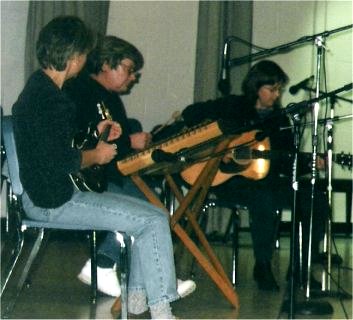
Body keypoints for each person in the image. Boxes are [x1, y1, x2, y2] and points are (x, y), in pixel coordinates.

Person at [12, 16, 179, 319]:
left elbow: (53, 146)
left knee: (153, 215)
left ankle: (139, 299)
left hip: (44, 195)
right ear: (74, 57)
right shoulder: (52, 100)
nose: (87, 60)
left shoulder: (39, 89)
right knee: (154, 220)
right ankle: (161, 309)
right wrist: (97, 155)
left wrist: (95, 133)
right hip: (54, 201)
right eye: (85, 54)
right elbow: (60, 160)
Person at [64, 35, 196, 299]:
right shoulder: (78, 90)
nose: (133, 76)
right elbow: (79, 137)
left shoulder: (112, 99)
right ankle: (112, 269)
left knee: (152, 205)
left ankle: (137, 277)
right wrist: (129, 141)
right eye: (128, 68)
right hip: (86, 176)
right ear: (105, 64)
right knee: (148, 209)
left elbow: (116, 145)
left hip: (111, 174)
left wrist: (134, 144)